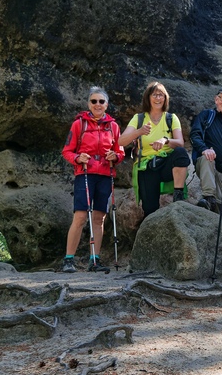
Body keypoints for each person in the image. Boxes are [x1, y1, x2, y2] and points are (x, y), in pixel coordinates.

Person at [60, 88, 125, 272]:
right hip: (85, 174)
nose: (98, 104)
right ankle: (68, 260)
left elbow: (120, 151)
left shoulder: (113, 126)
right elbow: (67, 151)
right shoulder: (79, 124)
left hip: (105, 174)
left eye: (101, 101)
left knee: (99, 218)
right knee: (80, 216)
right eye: (94, 101)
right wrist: (77, 158)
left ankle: (94, 260)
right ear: (89, 104)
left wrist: (116, 157)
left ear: (107, 105)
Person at [119, 81, 191, 217]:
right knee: (150, 210)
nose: (158, 98)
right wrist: (138, 132)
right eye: (154, 95)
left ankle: (178, 195)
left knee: (180, 153)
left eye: (161, 95)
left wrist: (165, 140)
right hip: (147, 167)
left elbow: (180, 142)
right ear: (148, 97)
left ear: (165, 98)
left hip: (166, 164)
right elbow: (121, 141)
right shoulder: (138, 118)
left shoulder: (171, 118)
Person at [189, 87, 222, 214]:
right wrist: (204, 149)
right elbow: (194, 135)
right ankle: (208, 196)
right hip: (207, 165)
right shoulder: (207, 115)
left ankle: (210, 201)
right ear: (216, 100)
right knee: (208, 159)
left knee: (216, 209)